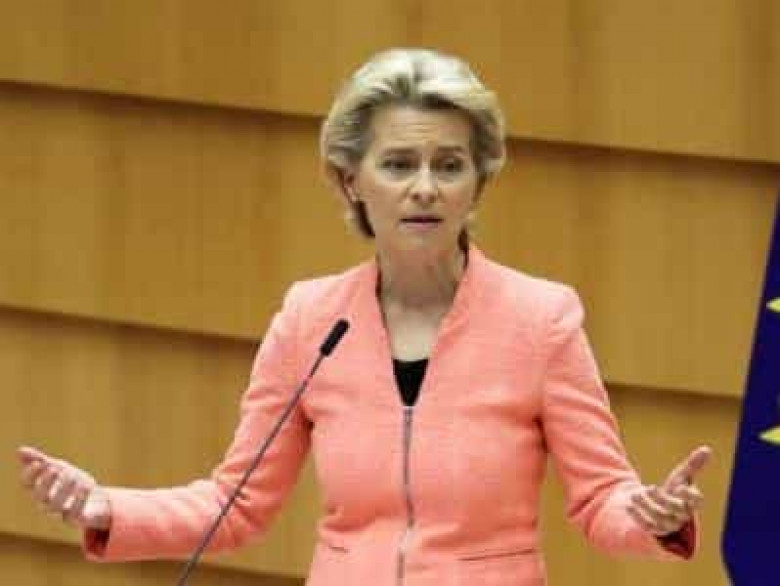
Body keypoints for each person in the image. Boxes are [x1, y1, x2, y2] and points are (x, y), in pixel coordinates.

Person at [17, 48, 711, 585]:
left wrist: (651, 517)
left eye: (449, 166)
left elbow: (601, 500)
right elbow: (236, 503)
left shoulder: (541, 321)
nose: (424, 188)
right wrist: (107, 507)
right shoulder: (311, 319)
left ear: (477, 185)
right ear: (352, 180)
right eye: (399, 164)